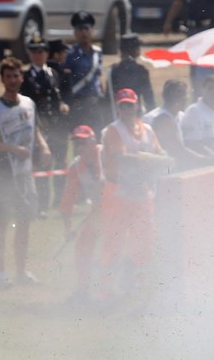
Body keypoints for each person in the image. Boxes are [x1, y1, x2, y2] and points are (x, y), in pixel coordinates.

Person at [0, 56, 49, 288]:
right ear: (2, 79)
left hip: (24, 173)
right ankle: (1, 273)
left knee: (24, 222)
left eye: (16, 75)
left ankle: (21, 271)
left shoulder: (29, 104)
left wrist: (44, 146)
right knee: (1, 223)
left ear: (21, 77)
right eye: (8, 76)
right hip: (3, 173)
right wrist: (13, 149)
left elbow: (35, 128)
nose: (12, 80)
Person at [99, 89, 167, 291]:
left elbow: (159, 150)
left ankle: (141, 281)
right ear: (118, 107)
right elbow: (121, 156)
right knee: (114, 240)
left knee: (145, 238)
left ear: (137, 105)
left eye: (130, 104)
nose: (127, 109)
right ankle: (107, 286)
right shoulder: (113, 130)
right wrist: (151, 159)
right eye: (123, 105)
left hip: (142, 190)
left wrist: (162, 156)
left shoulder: (146, 129)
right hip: (118, 191)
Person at [20, 39, 68, 214]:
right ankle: (42, 205)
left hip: (57, 126)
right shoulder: (25, 77)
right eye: (34, 52)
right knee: (42, 166)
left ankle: (60, 201)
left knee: (61, 163)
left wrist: (62, 103)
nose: (38, 55)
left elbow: (59, 94)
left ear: (47, 53)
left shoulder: (54, 73)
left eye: (41, 51)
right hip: (39, 127)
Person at [57, 125, 104, 296]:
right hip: (99, 212)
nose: (80, 147)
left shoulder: (107, 154)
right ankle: (83, 287)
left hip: (123, 207)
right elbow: (67, 200)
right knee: (83, 246)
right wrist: (68, 228)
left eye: (84, 142)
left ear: (94, 141)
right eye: (77, 143)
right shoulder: (76, 167)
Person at [64, 13, 109, 142]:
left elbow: (98, 77)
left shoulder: (97, 53)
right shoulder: (70, 54)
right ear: (75, 33)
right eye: (80, 29)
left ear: (92, 31)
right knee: (80, 141)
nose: (84, 33)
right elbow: (65, 81)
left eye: (86, 29)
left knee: (98, 139)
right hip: (78, 103)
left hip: (95, 103)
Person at [143, 79, 201, 171]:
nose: (187, 99)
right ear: (180, 100)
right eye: (185, 97)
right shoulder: (159, 118)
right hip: (161, 170)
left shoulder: (182, 116)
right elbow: (176, 150)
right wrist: (205, 159)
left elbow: (191, 143)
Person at [179, 73, 214, 162]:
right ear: (202, 90)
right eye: (210, 89)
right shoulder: (194, 111)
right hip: (204, 165)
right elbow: (192, 143)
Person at [110, 35, 156, 114]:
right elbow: (148, 97)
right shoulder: (141, 70)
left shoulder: (114, 70)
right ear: (135, 50)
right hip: (136, 114)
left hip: (119, 114)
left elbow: (109, 98)